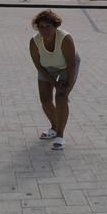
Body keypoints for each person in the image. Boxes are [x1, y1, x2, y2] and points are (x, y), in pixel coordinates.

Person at [29, 9, 80, 150]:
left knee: (61, 97)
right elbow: (39, 66)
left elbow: (71, 64)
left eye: (48, 26)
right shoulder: (34, 42)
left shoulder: (65, 38)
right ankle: (54, 127)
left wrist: (66, 88)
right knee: (45, 100)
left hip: (67, 66)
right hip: (46, 67)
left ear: (55, 25)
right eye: (41, 27)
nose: (45, 30)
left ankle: (60, 135)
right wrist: (55, 83)